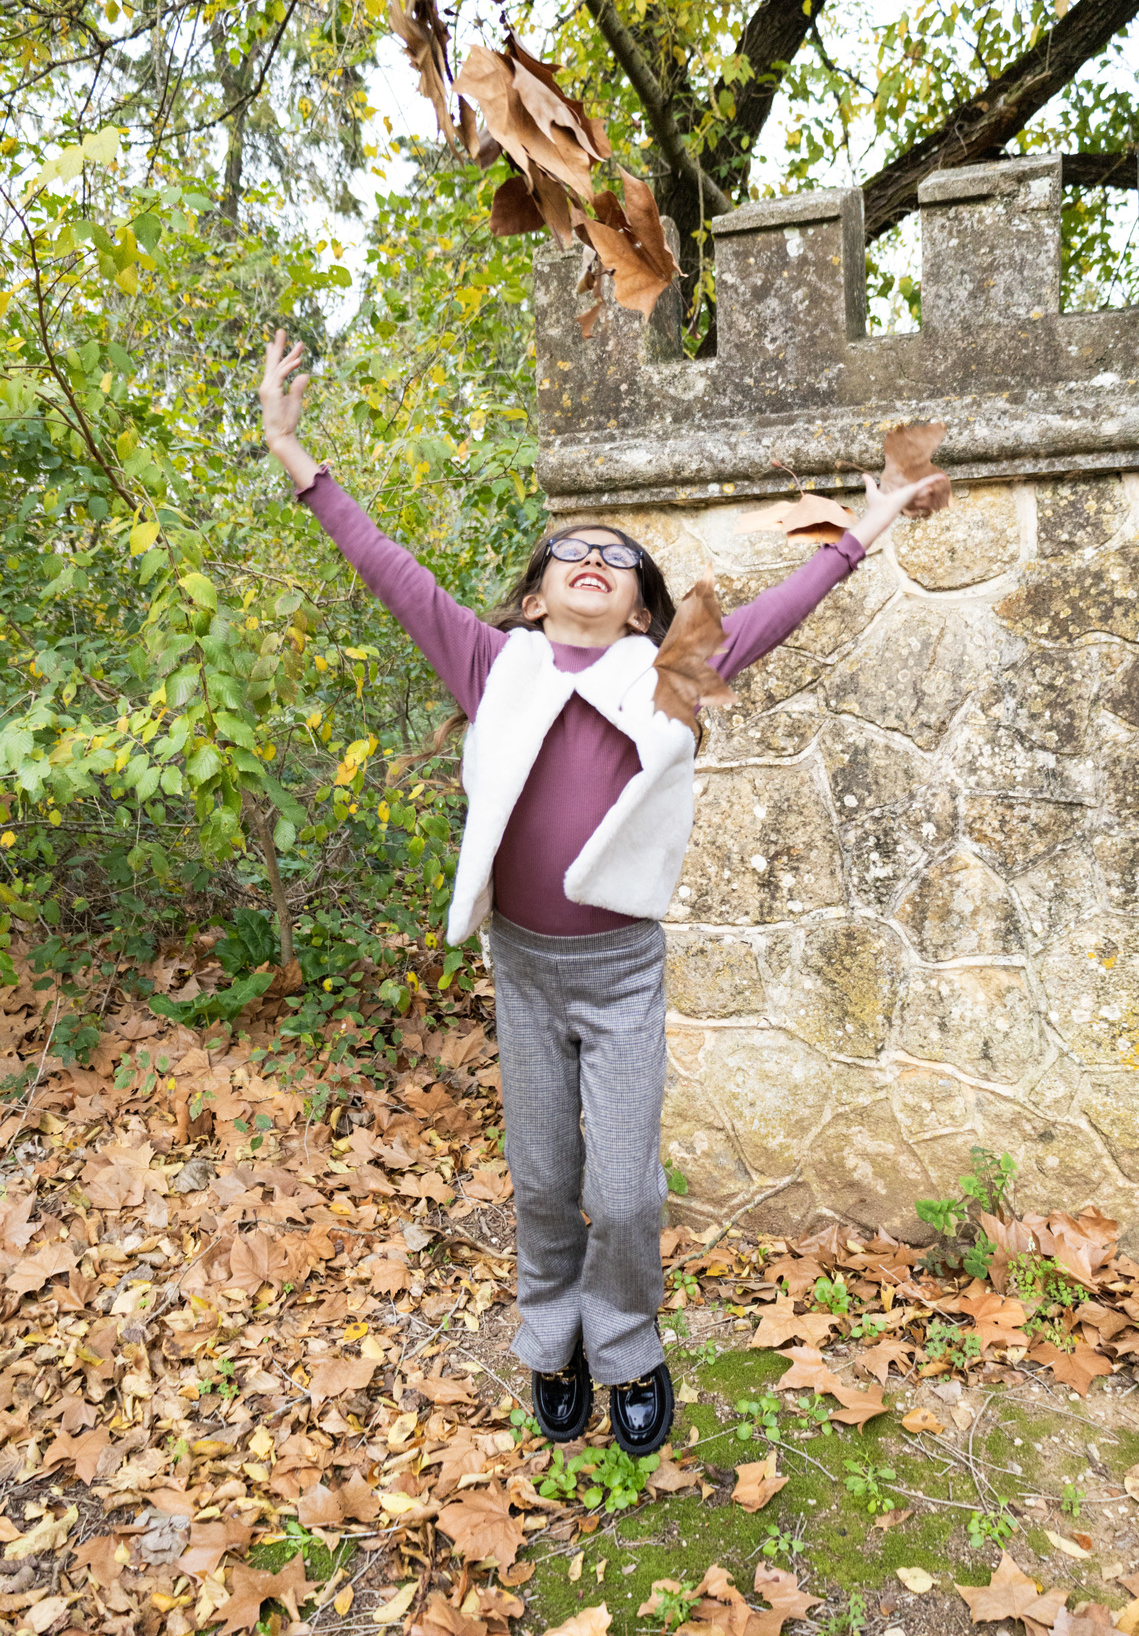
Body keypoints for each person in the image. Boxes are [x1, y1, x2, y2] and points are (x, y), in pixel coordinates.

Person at [257, 329, 942, 1457]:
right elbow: (388, 568)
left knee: (623, 1193)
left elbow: (781, 610)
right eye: (570, 551)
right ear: (534, 599)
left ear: (636, 609)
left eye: (616, 557)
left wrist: (866, 521)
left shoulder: (668, 670)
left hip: (621, 974)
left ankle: (626, 1342)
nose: (592, 557)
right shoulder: (493, 663)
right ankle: (553, 1334)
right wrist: (296, 454)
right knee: (541, 1179)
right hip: (525, 970)